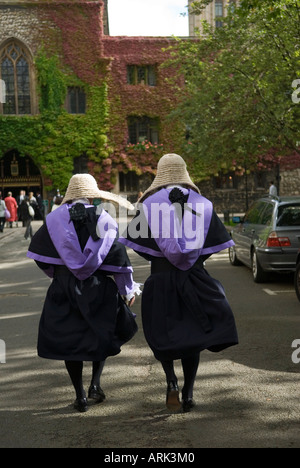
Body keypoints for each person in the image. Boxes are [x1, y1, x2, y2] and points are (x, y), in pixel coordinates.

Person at [119, 153, 238, 413]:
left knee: (163, 334)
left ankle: (171, 382)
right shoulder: (203, 203)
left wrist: (161, 259)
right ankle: (189, 392)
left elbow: (139, 247)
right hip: (194, 279)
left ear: (160, 174)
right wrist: (192, 260)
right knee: (191, 336)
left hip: (160, 280)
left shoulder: (148, 204)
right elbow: (212, 245)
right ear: (185, 173)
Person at [27, 174, 141, 413]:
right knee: (102, 334)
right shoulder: (104, 218)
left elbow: (39, 255)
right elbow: (118, 258)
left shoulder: (53, 219)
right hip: (98, 287)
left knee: (72, 341)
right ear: (92, 195)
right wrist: (127, 290)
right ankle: (95, 386)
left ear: (70, 194)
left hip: (64, 289)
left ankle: (80, 396)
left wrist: (57, 275)